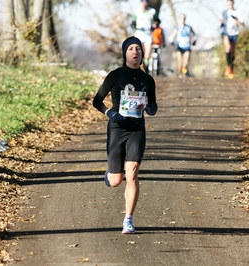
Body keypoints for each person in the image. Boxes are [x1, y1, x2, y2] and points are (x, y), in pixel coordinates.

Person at [92, 36, 158, 234]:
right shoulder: (115, 75)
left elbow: (152, 105)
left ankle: (128, 220)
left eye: (138, 48)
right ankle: (111, 174)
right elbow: (97, 101)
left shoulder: (148, 80)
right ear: (125, 53)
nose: (135, 52)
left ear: (142, 54)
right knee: (116, 181)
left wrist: (152, 108)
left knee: (133, 173)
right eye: (130, 49)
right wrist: (109, 113)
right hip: (117, 128)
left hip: (137, 129)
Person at [220, 0, 245, 79]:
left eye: (231, 3)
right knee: (228, 48)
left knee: (232, 52)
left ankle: (231, 67)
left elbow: (243, 24)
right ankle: (228, 67)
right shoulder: (224, 12)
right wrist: (222, 23)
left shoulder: (237, 12)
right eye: (228, 4)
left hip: (234, 33)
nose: (230, 5)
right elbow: (221, 20)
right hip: (226, 33)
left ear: (233, 3)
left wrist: (236, 20)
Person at [131, 0, 157, 72]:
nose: (144, 4)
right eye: (143, 2)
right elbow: (133, 22)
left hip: (148, 35)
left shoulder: (152, 11)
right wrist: (134, 26)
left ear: (148, 3)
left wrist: (154, 25)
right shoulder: (137, 12)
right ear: (140, 3)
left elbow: (157, 20)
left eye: (146, 2)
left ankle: (146, 68)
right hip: (139, 34)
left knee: (147, 55)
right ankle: (141, 70)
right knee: (140, 53)